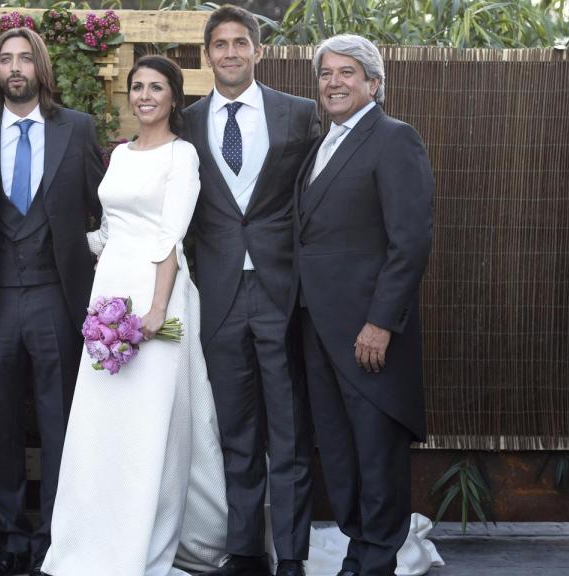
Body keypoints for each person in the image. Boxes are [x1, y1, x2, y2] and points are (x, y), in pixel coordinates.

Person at [42, 55, 227, 576]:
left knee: (151, 422)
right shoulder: (119, 154)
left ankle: (145, 540)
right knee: (103, 421)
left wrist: (156, 310)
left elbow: (170, 236)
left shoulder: (182, 154)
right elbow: (107, 229)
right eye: (138, 87)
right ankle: (93, 536)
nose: (146, 95)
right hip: (109, 293)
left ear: (173, 97)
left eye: (157, 87)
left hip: (155, 295)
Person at [0, 27, 105, 576]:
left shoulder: (78, 129)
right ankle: (12, 537)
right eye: (5, 60)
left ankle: (55, 536)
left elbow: (107, 208)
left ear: (41, 67)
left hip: (57, 300)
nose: (14, 68)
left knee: (60, 421)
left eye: (24, 58)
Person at [182, 6, 320, 576]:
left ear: (258, 51)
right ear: (207, 54)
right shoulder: (185, 122)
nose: (231, 53)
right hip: (216, 294)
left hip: (281, 289)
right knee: (235, 428)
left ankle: (290, 553)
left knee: (288, 431)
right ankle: (245, 549)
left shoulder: (300, 114)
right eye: (221, 44)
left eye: (242, 43)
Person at [291, 34, 433, 576]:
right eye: (326, 73)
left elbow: (410, 241)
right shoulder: (320, 145)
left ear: (373, 83)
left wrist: (380, 322)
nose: (334, 82)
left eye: (347, 72)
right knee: (341, 448)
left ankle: (376, 558)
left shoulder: (395, 139)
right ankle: (358, 545)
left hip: (368, 331)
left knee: (375, 448)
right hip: (316, 326)